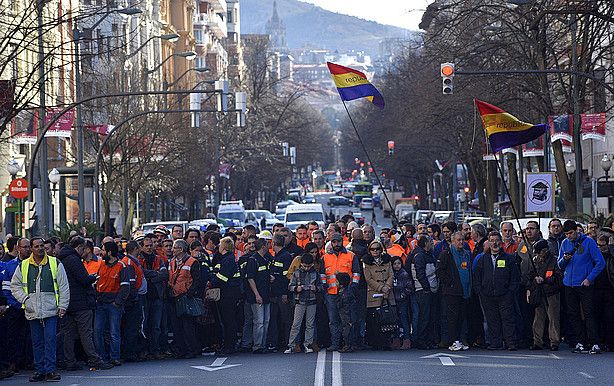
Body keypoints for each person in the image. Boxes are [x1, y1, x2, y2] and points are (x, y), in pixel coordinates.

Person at [11, 237, 70, 382]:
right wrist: (25, 299)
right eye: (36, 246)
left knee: (50, 340)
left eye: (42, 245)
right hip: (33, 310)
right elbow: (15, 286)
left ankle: (50, 370)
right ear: (31, 248)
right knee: (36, 342)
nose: (40, 248)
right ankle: (40, 370)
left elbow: (63, 286)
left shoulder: (55, 263)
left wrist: (63, 306)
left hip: (51, 309)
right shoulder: (24, 265)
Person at [57, 236, 111, 371]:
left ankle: (69, 360)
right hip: (80, 302)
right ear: (80, 247)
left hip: (67, 301)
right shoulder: (74, 259)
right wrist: (93, 277)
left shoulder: (62, 258)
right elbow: (83, 279)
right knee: (86, 333)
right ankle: (94, 359)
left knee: (69, 334)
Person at [558, 220, 605, 354]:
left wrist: (589, 279)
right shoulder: (564, 243)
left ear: (577, 231)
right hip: (569, 284)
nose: (568, 236)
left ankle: (594, 342)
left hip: (584, 284)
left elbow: (600, 263)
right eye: (566, 234)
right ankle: (580, 342)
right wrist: (565, 259)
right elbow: (560, 265)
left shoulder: (589, 242)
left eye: (571, 233)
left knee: (589, 313)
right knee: (573, 314)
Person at [473, 231, 519, 351]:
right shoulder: (483, 259)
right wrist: (480, 291)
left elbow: (514, 277)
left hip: (504, 295)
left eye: (497, 240)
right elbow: (477, 276)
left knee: (508, 319)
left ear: (501, 242)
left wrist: (510, 291)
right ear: (488, 242)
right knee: (492, 321)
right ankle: (496, 342)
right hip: (487, 296)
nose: (495, 243)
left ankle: (510, 343)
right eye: (492, 241)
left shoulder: (509, 258)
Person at [321, 233, 361, 351]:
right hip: (331, 293)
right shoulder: (325, 257)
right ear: (331, 242)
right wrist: (324, 287)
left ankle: (349, 344)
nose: (336, 244)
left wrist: (352, 287)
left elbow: (356, 273)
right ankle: (335, 344)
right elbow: (322, 275)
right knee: (333, 320)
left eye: (338, 241)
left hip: (346, 293)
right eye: (334, 242)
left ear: (341, 242)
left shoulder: (351, 256)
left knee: (348, 320)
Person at [95, 241, 132, 366]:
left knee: (114, 332)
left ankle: (114, 357)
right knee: (98, 331)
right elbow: (97, 283)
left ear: (109, 252)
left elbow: (125, 287)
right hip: (100, 304)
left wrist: (117, 302)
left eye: (103, 250)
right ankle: (101, 357)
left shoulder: (121, 266)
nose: (101, 252)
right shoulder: (102, 265)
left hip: (113, 304)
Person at [437, 231, 471, 351]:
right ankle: (453, 340)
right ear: (453, 241)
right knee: (452, 317)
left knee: (462, 317)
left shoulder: (467, 254)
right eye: (458, 240)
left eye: (462, 240)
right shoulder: (446, 254)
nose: (461, 242)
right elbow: (440, 271)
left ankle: (461, 339)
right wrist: (450, 282)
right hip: (452, 292)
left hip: (465, 291)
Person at [527, 239, 562, 351]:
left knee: (553, 318)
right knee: (538, 318)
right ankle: (537, 342)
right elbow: (530, 275)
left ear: (545, 250)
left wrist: (545, 280)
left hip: (552, 293)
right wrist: (534, 280)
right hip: (539, 293)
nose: (537, 255)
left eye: (539, 252)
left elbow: (558, 277)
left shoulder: (555, 260)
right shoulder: (535, 260)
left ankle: (554, 342)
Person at [168, 239, 202, 358]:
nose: (172, 250)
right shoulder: (172, 262)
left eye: (174, 248)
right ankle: (181, 350)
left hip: (185, 297)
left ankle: (192, 349)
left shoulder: (193, 262)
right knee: (177, 326)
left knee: (188, 326)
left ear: (181, 249)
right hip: (174, 297)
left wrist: (190, 293)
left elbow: (197, 280)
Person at [139, 236, 169, 359]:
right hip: (143, 297)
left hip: (157, 296)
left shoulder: (158, 259)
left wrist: (150, 277)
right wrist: (155, 275)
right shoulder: (139, 259)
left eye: (151, 245)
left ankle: (155, 350)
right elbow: (141, 273)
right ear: (141, 247)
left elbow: (165, 274)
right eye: (146, 245)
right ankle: (144, 350)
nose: (149, 247)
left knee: (156, 326)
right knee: (144, 325)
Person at [363, 240, 396, 351]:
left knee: (387, 319)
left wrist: (387, 286)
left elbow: (391, 275)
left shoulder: (387, 261)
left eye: (377, 249)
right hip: (374, 294)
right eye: (373, 249)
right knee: (374, 320)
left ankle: (387, 342)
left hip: (387, 293)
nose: (375, 251)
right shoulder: (366, 262)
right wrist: (381, 287)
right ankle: (375, 342)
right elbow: (368, 278)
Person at [285, 253, 320, 354]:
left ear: (312, 265)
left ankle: (307, 344)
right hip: (299, 301)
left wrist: (316, 288)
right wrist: (296, 288)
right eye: (305, 266)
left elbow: (321, 286)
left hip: (312, 301)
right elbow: (290, 286)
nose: (307, 268)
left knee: (310, 324)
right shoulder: (296, 273)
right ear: (301, 264)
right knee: (296, 324)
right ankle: (291, 345)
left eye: (309, 266)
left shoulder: (315, 273)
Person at [211, 237, 241, 355]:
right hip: (229, 293)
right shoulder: (226, 258)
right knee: (227, 320)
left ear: (223, 247)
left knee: (228, 321)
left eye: (219, 245)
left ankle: (229, 346)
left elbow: (222, 278)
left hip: (228, 294)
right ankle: (228, 345)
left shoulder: (228, 260)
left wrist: (212, 280)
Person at [408, 235, 438, 349]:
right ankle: (420, 340)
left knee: (428, 316)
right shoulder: (420, 256)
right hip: (423, 290)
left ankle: (426, 339)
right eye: (430, 242)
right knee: (424, 316)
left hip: (428, 289)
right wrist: (426, 288)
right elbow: (420, 273)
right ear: (426, 244)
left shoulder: (426, 255)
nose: (432, 244)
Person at [245, 238, 272, 354]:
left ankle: (263, 344)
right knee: (259, 322)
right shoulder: (253, 260)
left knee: (266, 321)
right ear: (263, 246)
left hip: (266, 295)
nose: (269, 246)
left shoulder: (264, 259)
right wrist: (256, 294)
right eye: (267, 244)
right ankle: (257, 346)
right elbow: (250, 278)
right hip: (258, 296)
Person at [594, 234, 614, 351]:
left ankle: (609, 342)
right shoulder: (596, 256)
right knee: (598, 316)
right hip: (596, 289)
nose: (600, 248)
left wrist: (611, 248)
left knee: (609, 317)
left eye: (602, 245)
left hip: (609, 289)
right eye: (598, 245)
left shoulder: (611, 255)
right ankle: (600, 341)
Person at [391, 256, 413, 350]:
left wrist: (403, 295)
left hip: (402, 300)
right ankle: (396, 340)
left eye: (398, 263)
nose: (397, 266)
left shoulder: (404, 274)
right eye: (395, 264)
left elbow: (409, 287)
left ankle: (406, 340)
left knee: (404, 320)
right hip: (393, 300)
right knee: (395, 320)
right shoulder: (391, 274)